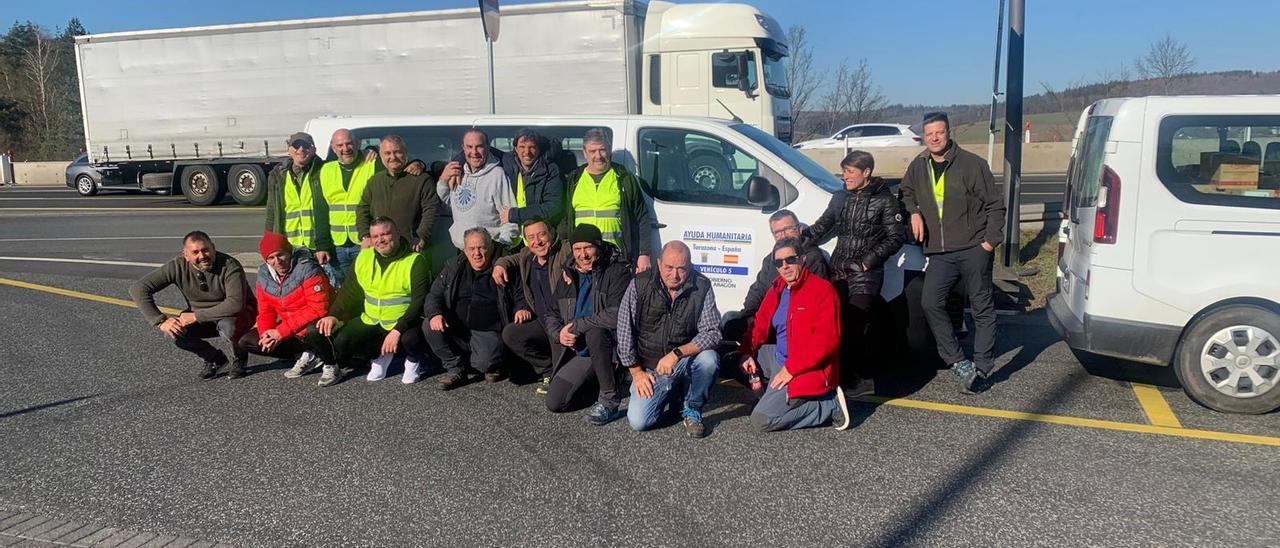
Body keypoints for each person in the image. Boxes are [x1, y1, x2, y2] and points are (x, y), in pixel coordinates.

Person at [899, 112, 1006, 394]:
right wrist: (914, 212)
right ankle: (958, 361)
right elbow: (906, 191)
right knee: (931, 302)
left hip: (974, 248)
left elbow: (996, 205)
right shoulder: (919, 165)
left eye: (939, 132)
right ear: (924, 136)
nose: (934, 138)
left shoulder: (972, 164)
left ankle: (982, 367)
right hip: (940, 253)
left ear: (949, 133)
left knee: (982, 308)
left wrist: (989, 243)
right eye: (929, 133)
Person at [805, 150, 905, 394]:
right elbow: (821, 227)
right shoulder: (840, 198)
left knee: (855, 321)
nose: (845, 177)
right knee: (832, 323)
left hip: (865, 274)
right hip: (838, 270)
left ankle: (859, 379)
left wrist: (866, 263)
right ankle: (838, 376)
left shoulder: (885, 200)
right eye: (844, 171)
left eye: (850, 172)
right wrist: (798, 241)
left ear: (866, 172)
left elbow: (896, 237)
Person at [739, 239, 851, 431]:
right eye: (779, 262)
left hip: (806, 367)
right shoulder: (778, 289)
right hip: (778, 357)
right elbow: (759, 323)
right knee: (734, 361)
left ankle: (828, 405)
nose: (785, 266)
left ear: (803, 259)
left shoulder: (822, 290)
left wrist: (791, 368)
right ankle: (777, 398)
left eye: (790, 259)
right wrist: (747, 351)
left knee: (761, 420)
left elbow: (827, 341)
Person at [617, 241, 722, 438]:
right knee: (639, 422)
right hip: (650, 368)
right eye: (669, 267)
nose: (674, 275)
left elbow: (713, 332)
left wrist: (676, 354)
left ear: (690, 266)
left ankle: (692, 407)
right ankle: (674, 394)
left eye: (681, 269)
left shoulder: (702, 286)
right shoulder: (640, 284)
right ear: (658, 264)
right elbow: (624, 330)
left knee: (709, 359)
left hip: (681, 361)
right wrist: (637, 372)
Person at [314, 217, 431, 386]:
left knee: (410, 340)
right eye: (375, 236)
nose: (380, 240)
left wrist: (398, 330)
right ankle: (379, 355)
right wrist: (334, 315)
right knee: (342, 341)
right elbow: (349, 292)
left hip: (404, 322)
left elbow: (419, 302)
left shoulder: (415, 261)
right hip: (372, 319)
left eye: (385, 234)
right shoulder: (364, 257)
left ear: (397, 234)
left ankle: (413, 361)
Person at [128, 231, 255, 379]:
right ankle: (214, 358)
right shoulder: (177, 266)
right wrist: (160, 321)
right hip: (202, 317)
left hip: (235, 315)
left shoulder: (230, 265)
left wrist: (195, 315)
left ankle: (239, 357)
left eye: (206, 250)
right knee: (173, 332)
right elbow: (138, 289)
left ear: (213, 248)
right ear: (186, 255)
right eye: (195, 252)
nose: (202, 256)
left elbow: (235, 304)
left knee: (229, 327)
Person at [541, 224, 631, 423]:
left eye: (588, 247)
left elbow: (617, 314)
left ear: (598, 246)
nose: (583, 254)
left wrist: (578, 325)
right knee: (555, 402)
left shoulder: (616, 271)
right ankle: (599, 385)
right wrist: (559, 334)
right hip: (577, 349)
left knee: (595, 332)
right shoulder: (568, 273)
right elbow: (551, 313)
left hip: (608, 346)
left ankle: (609, 400)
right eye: (577, 249)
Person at [426, 227, 525, 390]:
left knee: (484, 363)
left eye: (481, 248)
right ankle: (456, 368)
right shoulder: (454, 267)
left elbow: (520, 291)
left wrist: (522, 308)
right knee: (429, 326)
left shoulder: (504, 265)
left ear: (491, 247)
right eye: (471, 249)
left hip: (489, 329)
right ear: (465, 250)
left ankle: (490, 363)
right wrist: (435, 314)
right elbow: (434, 294)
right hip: (458, 327)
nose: (476, 254)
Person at [237, 232, 333, 380]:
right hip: (290, 328)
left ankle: (325, 357)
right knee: (247, 342)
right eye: (271, 258)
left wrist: (280, 333)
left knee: (314, 329)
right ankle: (305, 354)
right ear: (266, 260)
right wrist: (266, 334)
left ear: (289, 252)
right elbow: (265, 311)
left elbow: (318, 309)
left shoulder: (308, 268)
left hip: (312, 325)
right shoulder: (264, 275)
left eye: (281, 254)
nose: (277, 261)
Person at [723, 209, 829, 343]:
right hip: (767, 317)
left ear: (799, 229)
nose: (783, 235)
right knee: (730, 320)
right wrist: (748, 315)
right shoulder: (771, 259)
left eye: (788, 229)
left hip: (793, 324)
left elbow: (815, 305)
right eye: (778, 232)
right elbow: (758, 290)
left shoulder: (813, 259)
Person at [561, 128, 654, 273]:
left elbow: (641, 217)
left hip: (616, 259)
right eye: (593, 151)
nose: (598, 156)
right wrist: (567, 261)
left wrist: (644, 254)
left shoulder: (624, 178)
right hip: (583, 260)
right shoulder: (574, 179)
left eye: (602, 150)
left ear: (609, 150)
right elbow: (567, 221)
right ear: (584, 152)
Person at [494, 218, 566, 392]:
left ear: (551, 233)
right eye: (531, 237)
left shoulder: (565, 250)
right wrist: (499, 265)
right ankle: (547, 369)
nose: (537, 241)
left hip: (562, 325)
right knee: (511, 334)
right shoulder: (528, 255)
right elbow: (511, 259)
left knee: (560, 389)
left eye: (541, 234)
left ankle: (560, 372)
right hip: (543, 323)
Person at [357, 135, 441, 254]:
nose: (393, 157)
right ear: (381, 156)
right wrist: (365, 236)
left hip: (411, 247)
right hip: (380, 248)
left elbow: (431, 210)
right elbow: (362, 209)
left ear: (406, 153)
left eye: (397, 152)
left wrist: (421, 236)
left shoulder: (422, 179)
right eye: (387, 153)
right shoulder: (375, 181)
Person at [437, 128, 519, 249]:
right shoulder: (458, 173)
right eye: (469, 147)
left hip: (488, 251)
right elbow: (448, 204)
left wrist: (502, 247)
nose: (474, 152)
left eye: (479, 146)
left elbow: (509, 218)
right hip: (463, 250)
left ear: (487, 147)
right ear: (463, 148)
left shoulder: (497, 175)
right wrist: (443, 180)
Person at [264, 132, 334, 269]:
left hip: (317, 246)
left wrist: (368, 153)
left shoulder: (325, 170)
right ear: (289, 150)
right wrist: (269, 242)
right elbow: (272, 211)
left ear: (314, 149)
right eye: (296, 145)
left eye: (306, 146)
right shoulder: (277, 176)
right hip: (289, 247)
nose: (301, 149)